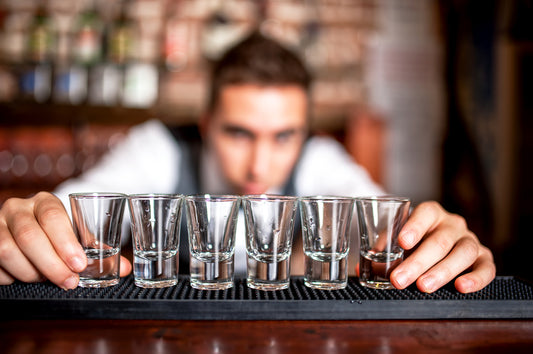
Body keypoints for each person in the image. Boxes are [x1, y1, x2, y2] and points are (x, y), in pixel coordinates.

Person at [0, 31, 495, 293]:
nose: (260, 165)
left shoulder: (320, 160)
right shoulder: (160, 147)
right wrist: (29, 227)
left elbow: (392, 223)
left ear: (303, 131)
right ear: (206, 121)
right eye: (238, 133)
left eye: (284, 136)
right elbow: (67, 212)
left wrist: (436, 240)